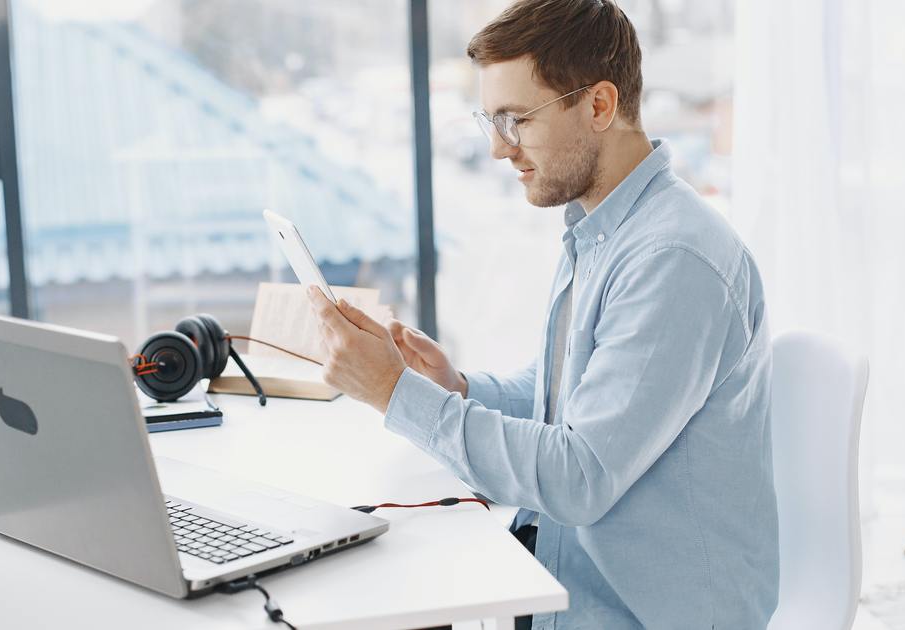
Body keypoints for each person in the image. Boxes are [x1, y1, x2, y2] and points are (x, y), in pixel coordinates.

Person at [305, 0, 779, 627]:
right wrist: (455, 388)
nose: (501, 149)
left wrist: (396, 393)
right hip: (567, 584)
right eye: (491, 121)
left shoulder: (673, 259)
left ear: (599, 106)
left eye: (516, 120)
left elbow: (578, 475)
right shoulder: (601, 227)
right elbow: (558, 399)